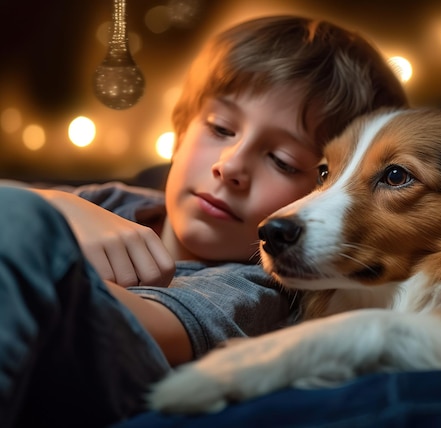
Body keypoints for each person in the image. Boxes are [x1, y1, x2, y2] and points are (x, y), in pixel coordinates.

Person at [0, 14, 408, 428]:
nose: (230, 166)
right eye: (220, 127)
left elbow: (132, 323)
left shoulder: (256, 289)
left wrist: (46, 221)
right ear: (180, 133)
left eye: (282, 161)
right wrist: (60, 204)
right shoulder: (110, 201)